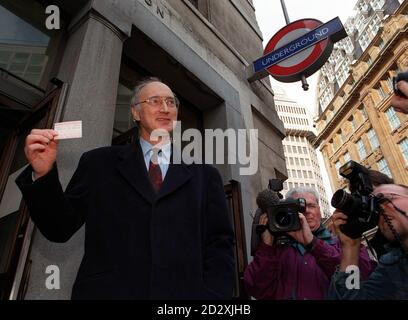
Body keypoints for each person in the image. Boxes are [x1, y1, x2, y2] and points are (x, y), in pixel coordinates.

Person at [16, 77, 235, 300]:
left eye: (171, 102)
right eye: (155, 101)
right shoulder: (98, 163)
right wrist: (42, 175)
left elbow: (219, 245)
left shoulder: (205, 176)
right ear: (135, 113)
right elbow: (59, 227)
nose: (165, 108)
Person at [243, 186, 376, 300]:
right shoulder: (276, 250)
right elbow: (256, 289)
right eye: (298, 207)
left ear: (320, 210)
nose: (306, 211)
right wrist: (267, 246)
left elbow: (360, 279)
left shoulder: (345, 242)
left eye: (311, 206)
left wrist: (313, 244)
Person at [329, 184, 408, 299]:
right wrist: (350, 246)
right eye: (375, 206)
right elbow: (351, 296)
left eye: (387, 198)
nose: (381, 208)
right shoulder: (391, 267)